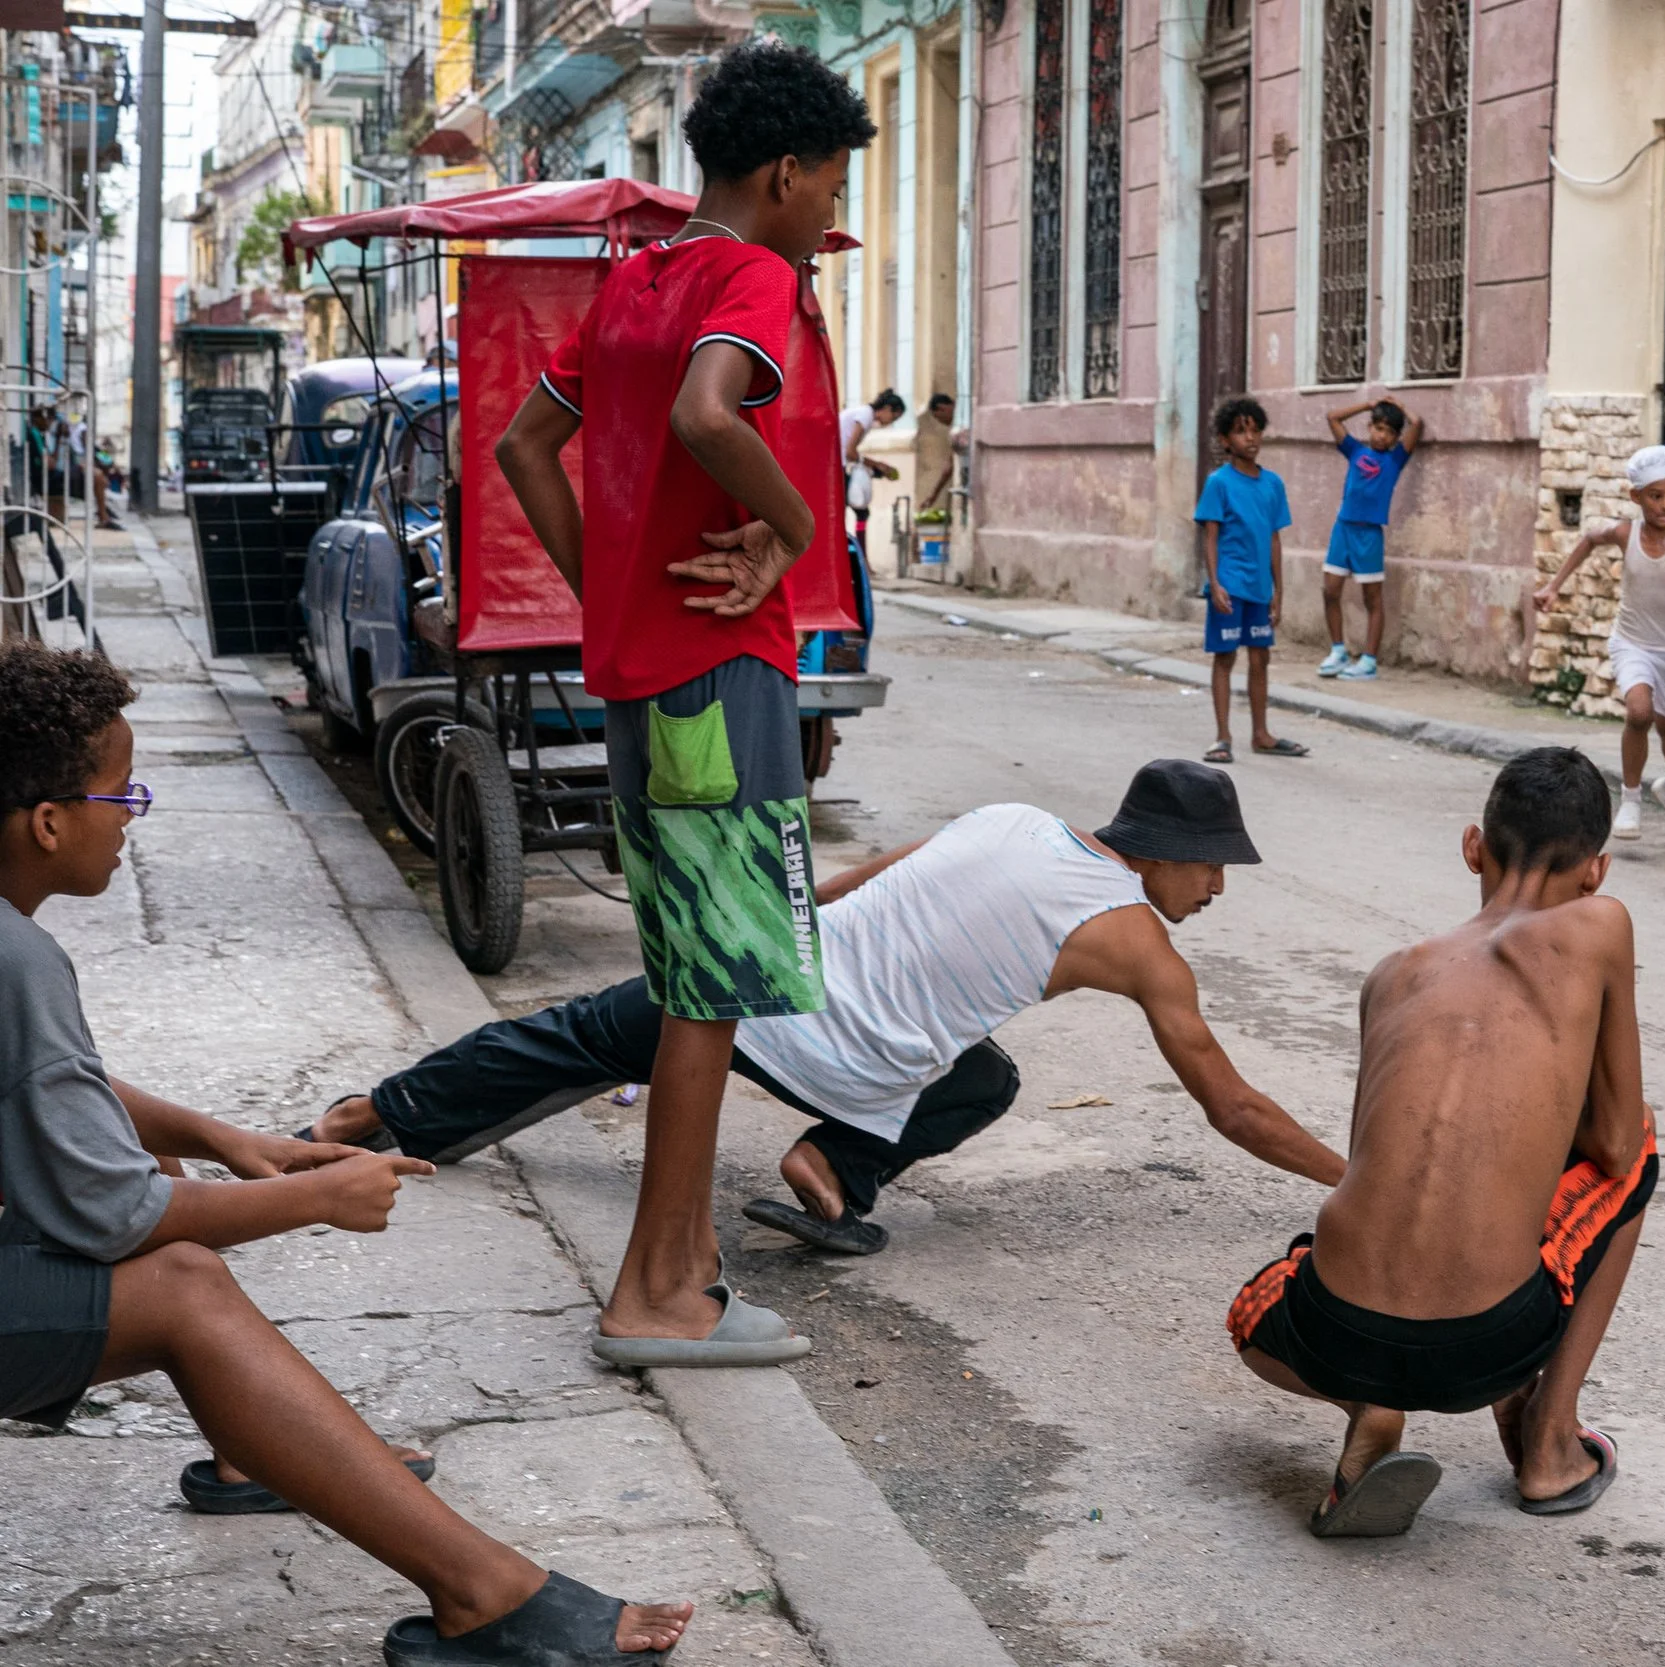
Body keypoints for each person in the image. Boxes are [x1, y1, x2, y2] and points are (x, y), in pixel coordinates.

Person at [0, 642, 693, 1664]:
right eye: (123, 795)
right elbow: (113, 1214)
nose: (134, 820)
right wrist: (323, 1193)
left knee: (176, 1196)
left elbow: (42, 1091)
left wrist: (218, 1135)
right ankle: (484, 1592)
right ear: (50, 821)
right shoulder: (17, 958)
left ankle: (257, 1445)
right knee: (182, 1282)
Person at [302, 762, 1346, 1254]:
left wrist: (749, 940)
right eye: (1213, 871)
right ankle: (836, 1167)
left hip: (763, 988)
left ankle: (366, 1116)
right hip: (850, 1062)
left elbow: (856, 877)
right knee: (982, 1080)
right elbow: (1233, 1106)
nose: (1215, 892)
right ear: (1169, 851)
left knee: (566, 1036)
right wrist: (1353, 1177)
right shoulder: (1140, 945)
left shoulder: (1009, 812)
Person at [494, 38, 876, 1367]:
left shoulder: (635, 280)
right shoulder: (748, 275)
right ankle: (653, 1292)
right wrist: (788, 529)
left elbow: (520, 444)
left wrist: (607, 587)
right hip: (724, 675)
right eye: (828, 187)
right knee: (710, 993)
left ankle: (688, 1269)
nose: (831, 212)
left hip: (648, 679)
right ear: (784, 173)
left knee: (683, 980)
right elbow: (722, 417)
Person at [1228, 747, 1654, 1538]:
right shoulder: (1602, 922)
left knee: (1252, 1313)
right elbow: (1619, 1143)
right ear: (1596, 871)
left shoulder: (1392, 973)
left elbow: (1374, 1159)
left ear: (1471, 847)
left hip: (1339, 1333)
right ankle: (1551, 1446)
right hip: (1491, 1342)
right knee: (1642, 1144)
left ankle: (1370, 1403)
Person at [1533, 445, 1665, 842]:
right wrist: (1552, 586)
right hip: (1631, 642)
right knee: (1638, 712)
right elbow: (1588, 540)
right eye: (1656, 496)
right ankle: (1630, 799)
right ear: (1636, 497)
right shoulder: (1625, 532)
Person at [1195, 397, 1306, 763]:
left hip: (1259, 588)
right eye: (1241, 431)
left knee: (1261, 658)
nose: (1251, 438)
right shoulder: (1219, 483)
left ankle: (1261, 733)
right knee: (1225, 657)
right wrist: (1215, 583)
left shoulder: (1272, 484)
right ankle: (1222, 736)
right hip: (1229, 584)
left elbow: (1274, 539)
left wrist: (1278, 591)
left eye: (1255, 430)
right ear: (1226, 440)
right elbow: (1210, 536)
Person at [1317, 395, 1422, 680]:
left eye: (1388, 431)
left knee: (1372, 599)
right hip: (1343, 529)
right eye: (1377, 428)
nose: (1381, 435)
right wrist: (1366, 405)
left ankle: (1369, 661)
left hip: (1369, 535)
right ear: (1369, 427)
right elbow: (1332, 418)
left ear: (1394, 437)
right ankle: (1338, 651)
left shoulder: (1395, 460)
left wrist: (1397, 404)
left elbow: (1417, 423)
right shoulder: (1355, 451)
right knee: (1330, 590)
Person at [841, 387, 907, 566]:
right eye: (893, 417)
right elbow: (850, 452)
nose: (890, 422)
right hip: (838, 466)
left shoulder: (865, 416)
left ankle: (861, 561)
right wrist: (877, 465)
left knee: (858, 513)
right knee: (857, 513)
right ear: (886, 409)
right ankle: (861, 562)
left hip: (841, 465)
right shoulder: (865, 415)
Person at [913, 391, 957, 516]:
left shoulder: (961, 424)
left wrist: (934, 495)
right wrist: (934, 495)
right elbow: (950, 463)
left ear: (942, 409)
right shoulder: (957, 426)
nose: (941, 422)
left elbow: (949, 466)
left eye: (938, 418)